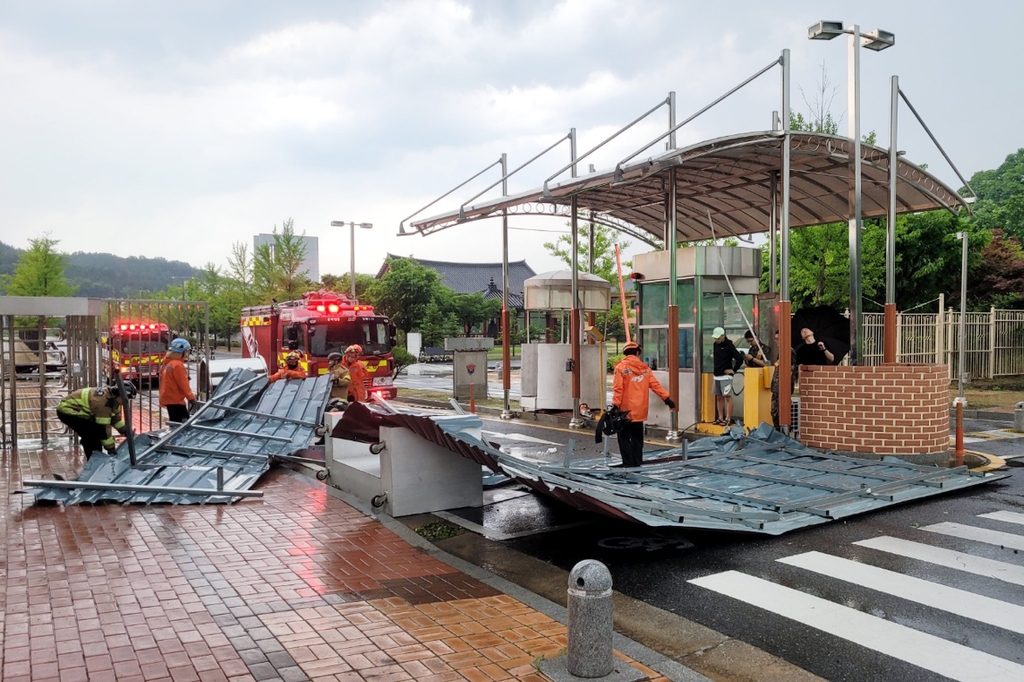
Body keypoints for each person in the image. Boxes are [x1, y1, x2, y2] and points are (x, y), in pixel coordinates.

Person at [611, 341, 675, 467]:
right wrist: (667, 398)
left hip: (624, 411)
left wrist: (615, 405)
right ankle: (637, 461)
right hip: (640, 410)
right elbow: (655, 385)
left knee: (624, 438)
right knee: (637, 438)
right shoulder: (645, 369)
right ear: (637, 353)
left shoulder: (620, 368)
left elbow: (618, 389)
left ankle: (628, 464)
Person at [56, 382, 136, 459]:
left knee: (94, 434)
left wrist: (125, 431)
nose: (126, 402)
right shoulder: (104, 404)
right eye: (126, 399)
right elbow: (103, 429)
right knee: (92, 437)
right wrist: (111, 449)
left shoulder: (113, 400)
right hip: (68, 412)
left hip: (77, 411)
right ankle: (93, 462)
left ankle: (95, 460)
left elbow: (115, 420)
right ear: (119, 395)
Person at [712, 327, 745, 426]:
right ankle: (720, 417)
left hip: (726, 376)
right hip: (717, 375)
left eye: (718, 338)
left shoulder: (729, 345)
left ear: (723, 336)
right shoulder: (715, 345)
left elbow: (739, 358)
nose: (717, 340)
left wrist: (733, 370)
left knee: (727, 396)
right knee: (718, 397)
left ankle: (728, 418)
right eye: (715, 338)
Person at [159, 337, 196, 423]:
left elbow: (166, 377)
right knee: (183, 426)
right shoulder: (178, 365)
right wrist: (191, 398)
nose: (187, 354)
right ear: (181, 352)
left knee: (174, 424)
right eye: (186, 351)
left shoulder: (167, 363)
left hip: (169, 399)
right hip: (176, 401)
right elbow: (183, 384)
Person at [771, 329, 798, 428]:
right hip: (776, 386)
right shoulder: (781, 352)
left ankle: (781, 431)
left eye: (778, 339)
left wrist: (786, 386)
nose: (776, 341)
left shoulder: (789, 352)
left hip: (782, 386)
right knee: (774, 411)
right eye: (775, 339)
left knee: (779, 411)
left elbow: (792, 370)